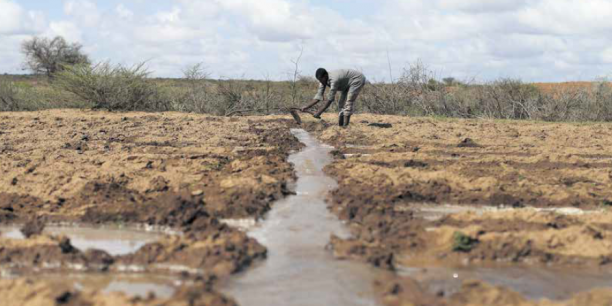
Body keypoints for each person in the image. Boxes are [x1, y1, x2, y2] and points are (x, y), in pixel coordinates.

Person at [301, 68, 366, 127]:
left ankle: (345, 127)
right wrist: (306, 106)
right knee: (341, 103)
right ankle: (341, 125)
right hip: (346, 83)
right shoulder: (322, 81)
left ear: (325, 76)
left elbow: (330, 99)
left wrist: (319, 112)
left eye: (321, 80)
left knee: (349, 101)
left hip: (357, 79)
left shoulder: (334, 80)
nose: (320, 82)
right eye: (319, 80)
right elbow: (318, 96)